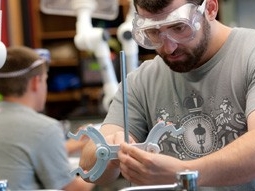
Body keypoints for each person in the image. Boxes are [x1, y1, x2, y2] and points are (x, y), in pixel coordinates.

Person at [78, 0, 255, 190]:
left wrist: (183, 172)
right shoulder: (141, 81)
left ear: (210, 8)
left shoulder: (249, 54)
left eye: (179, 28)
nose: (169, 47)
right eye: (154, 32)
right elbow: (89, 171)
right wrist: (109, 150)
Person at [0, 46, 94, 191]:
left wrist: (76, 144)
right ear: (36, 82)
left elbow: (24, 153)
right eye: (45, 80)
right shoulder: (44, 128)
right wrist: (100, 162)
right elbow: (75, 189)